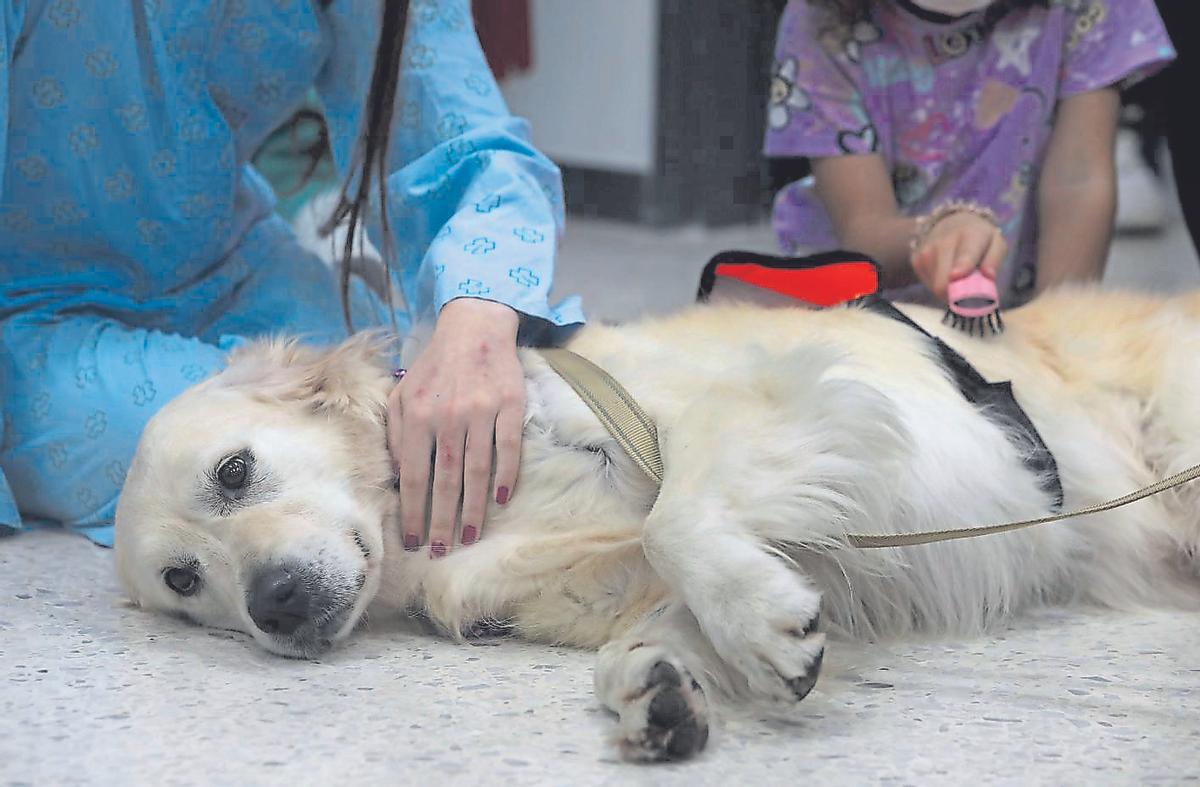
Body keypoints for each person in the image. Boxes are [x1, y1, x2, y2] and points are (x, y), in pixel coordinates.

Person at [0, 0, 583, 554]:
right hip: (26, 318)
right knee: (251, 453)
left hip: (231, 262)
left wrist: (476, 324)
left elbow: (461, 138)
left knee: (423, 404)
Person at [764, 0, 1176, 306]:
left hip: (1019, 313)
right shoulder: (821, 20)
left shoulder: (1090, 7)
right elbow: (863, 229)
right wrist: (937, 233)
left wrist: (1055, 336)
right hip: (871, 321)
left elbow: (1078, 178)